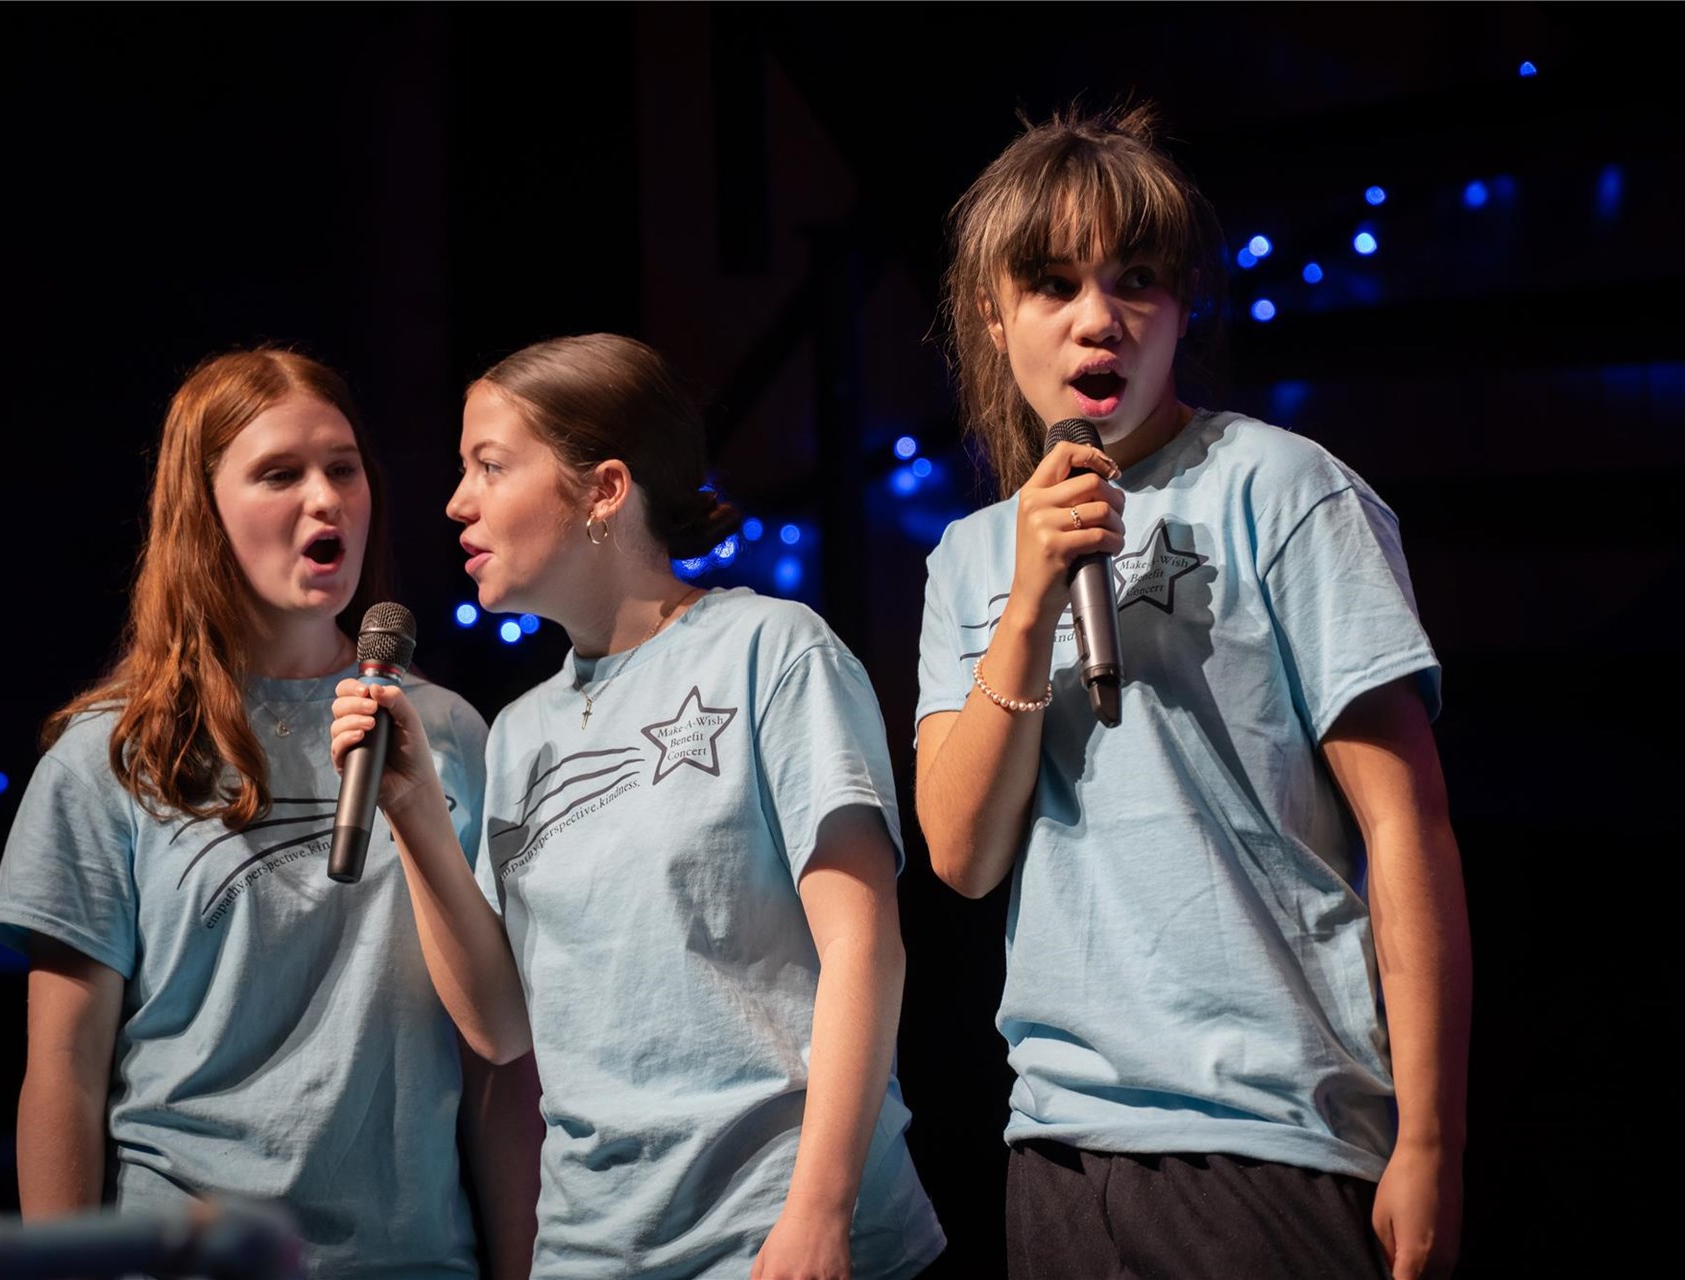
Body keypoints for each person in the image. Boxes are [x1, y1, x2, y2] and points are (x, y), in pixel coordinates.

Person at [914, 101, 1472, 1280]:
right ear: (993, 316)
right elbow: (961, 855)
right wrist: (1028, 602)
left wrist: (1431, 1137)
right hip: (1059, 1142)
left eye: (1136, 282)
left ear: (1180, 311)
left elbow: (1406, 824)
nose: (1099, 318)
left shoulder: (1283, 487)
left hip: (1269, 1131)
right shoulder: (970, 557)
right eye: (1053, 285)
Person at [327, 333, 948, 1279]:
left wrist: (820, 1213)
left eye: (490, 465)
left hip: (772, 1234)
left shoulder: (769, 648)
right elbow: (500, 1024)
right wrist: (412, 810)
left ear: (604, 490)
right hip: (591, 1247)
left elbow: (863, 945)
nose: (457, 501)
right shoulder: (520, 732)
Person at [0, 345, 542, 1279]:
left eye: (343, 468)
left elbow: (499, 1065)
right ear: (203, 510)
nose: (326, 500)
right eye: (280, 474)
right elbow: (64, 1075)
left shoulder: (446, 734)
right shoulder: (113, 753)